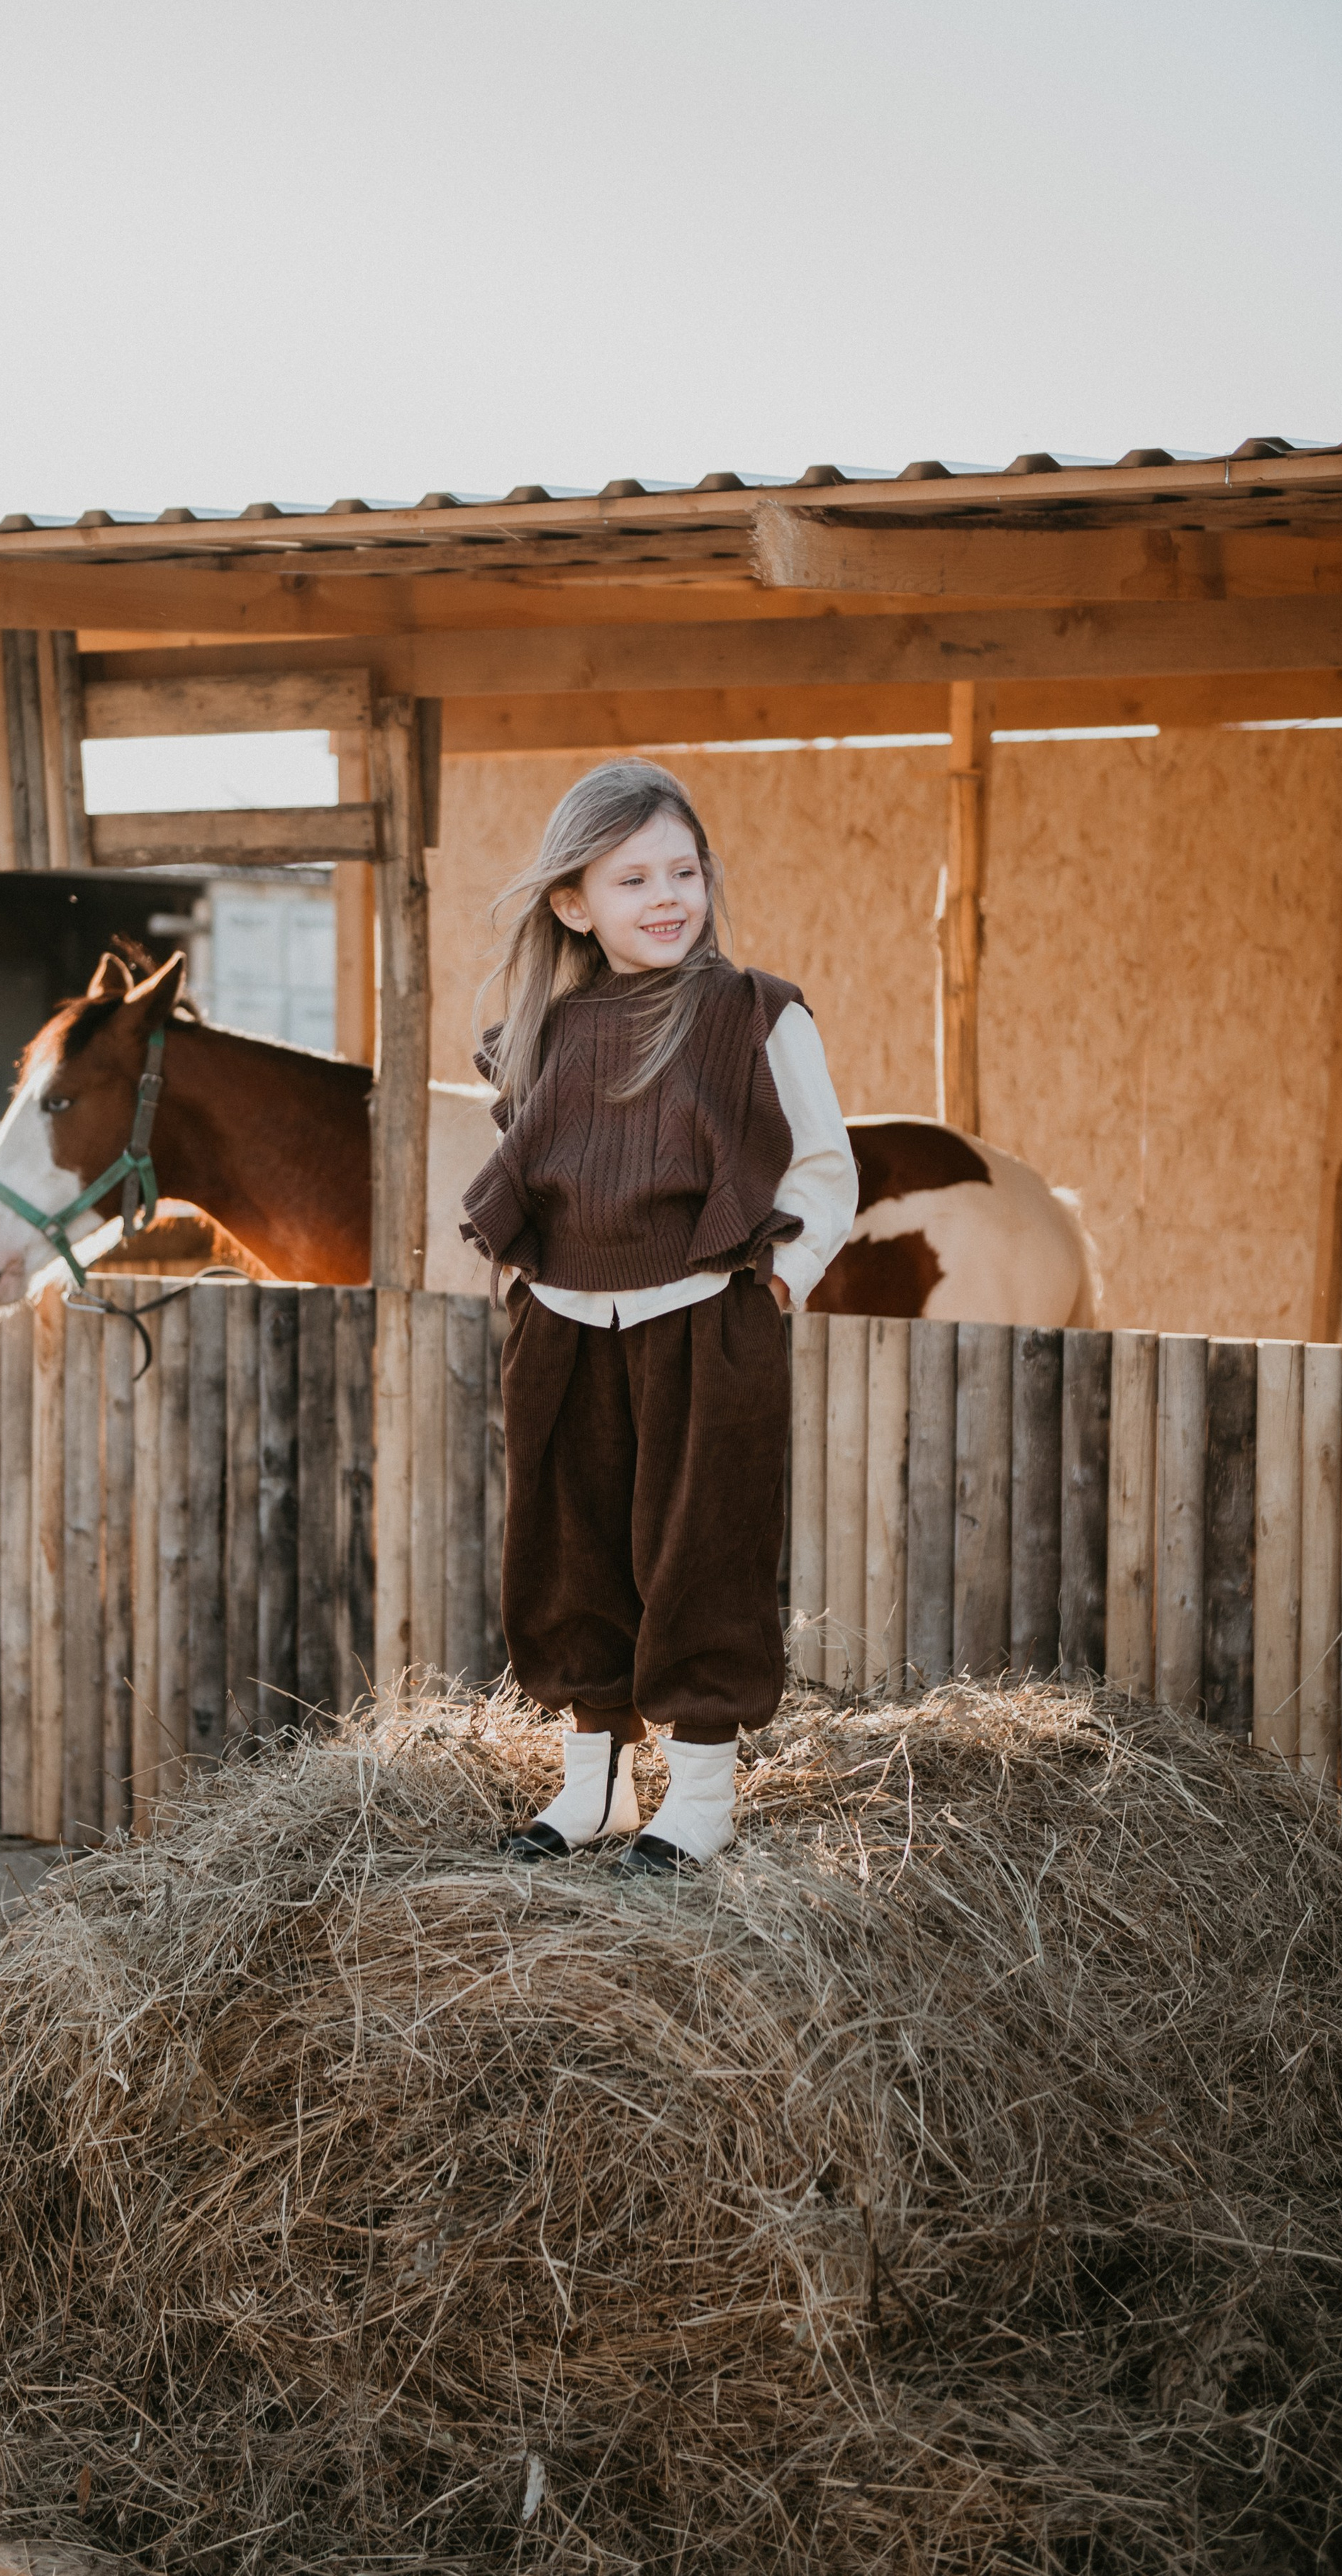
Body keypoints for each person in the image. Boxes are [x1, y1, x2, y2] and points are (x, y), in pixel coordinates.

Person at [461, 759, 859, 1874]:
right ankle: (592, 1792)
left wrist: (773, 1286)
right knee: (567, 1553)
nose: (666, 897)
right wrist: (539, 1297)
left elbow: (824, 1171)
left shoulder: (754, 1013)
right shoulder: (549, 1028)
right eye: (632, 879)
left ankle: (701, 1801)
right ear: (573, 903)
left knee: (700, 1553)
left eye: (683, 871)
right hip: (564, 1325)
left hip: (703, 1317)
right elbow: (537, 1176)